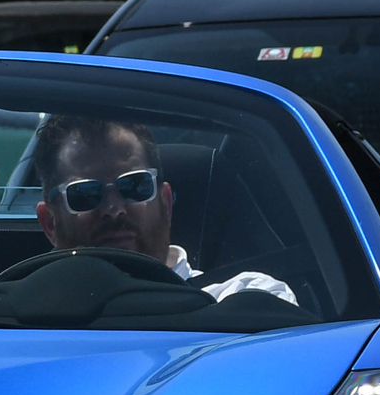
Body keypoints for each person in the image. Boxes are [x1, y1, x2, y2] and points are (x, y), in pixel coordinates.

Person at [30, 114, 293, 303]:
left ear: (166, 203)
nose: (113, 209)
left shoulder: (245, 300)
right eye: (86, 194)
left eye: (134, 186)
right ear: (50, 223)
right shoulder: (23, 318)